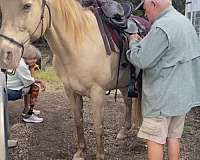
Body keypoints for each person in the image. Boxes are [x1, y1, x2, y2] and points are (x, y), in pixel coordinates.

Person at [126, 0, 200, 159]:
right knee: (173, 137)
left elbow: (141, 60)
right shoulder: (184, 22)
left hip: (162, 100)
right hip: (181, 97)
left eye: (145, 9)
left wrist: (133, 42)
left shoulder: (161, 27)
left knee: (155, 140)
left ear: (154, 4)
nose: (145, 14)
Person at [7, 45, 45, 123]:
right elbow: (30, 82)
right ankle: (28, 115)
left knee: (28, 86)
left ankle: (26, 109)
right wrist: (32, 69)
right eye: (34, 59)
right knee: (35, 87)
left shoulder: (18, 60)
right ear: (28, 56)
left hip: (6, 89)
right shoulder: (22, 65)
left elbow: (28, 81)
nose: (35, 62)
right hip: (10, 93)